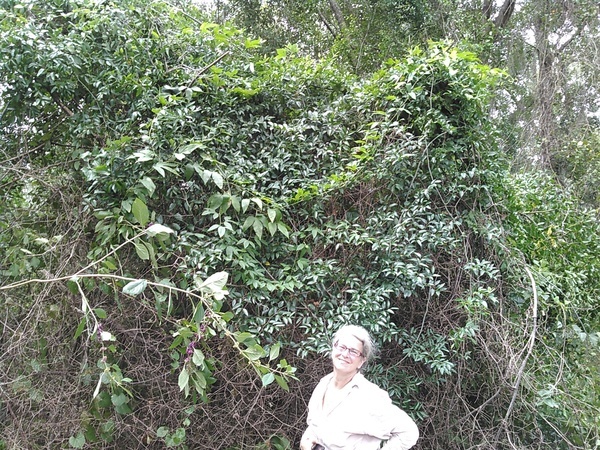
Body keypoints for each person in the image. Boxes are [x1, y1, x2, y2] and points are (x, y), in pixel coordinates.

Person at [300, 325, 419, 450]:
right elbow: (315, 426)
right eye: (342, 347)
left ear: (362, 361)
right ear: (333, 349)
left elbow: (409, 432)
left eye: (353, 352)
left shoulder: (369, 396)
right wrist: (306, 441)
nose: (345, 354)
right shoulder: (323, 385)